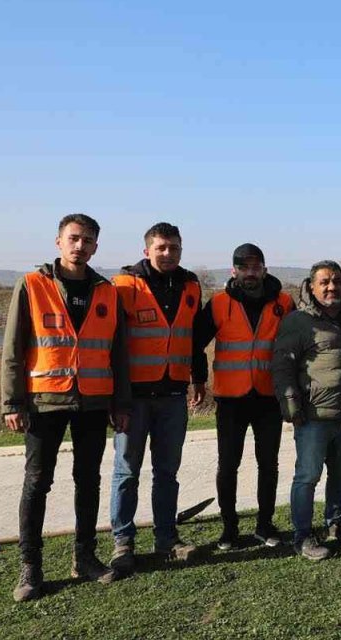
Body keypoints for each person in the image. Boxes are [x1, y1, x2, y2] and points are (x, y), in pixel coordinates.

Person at [0, 213, 131, 601]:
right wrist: (12, 401)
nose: (80, 246)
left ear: (95, 247)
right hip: (44, 402)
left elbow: (118, 355)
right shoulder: (33, 285)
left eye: (88, 240)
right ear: (59, 242)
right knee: (37, 483)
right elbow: (12, 349)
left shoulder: (107, 291)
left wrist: (120, 403)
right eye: (74, 238)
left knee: (88, 481)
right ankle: (31, 567)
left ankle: (85, 557)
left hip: (92, 402)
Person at [109, 222, 205, 575]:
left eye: (174, 248)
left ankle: (167, 538)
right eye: (161, 247)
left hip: (173, 394)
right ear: (146, 249)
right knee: (126, 471)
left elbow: (192, 337)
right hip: (133, 397)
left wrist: (199, 378)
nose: (168, 254)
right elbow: (111, 343)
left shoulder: (191, 285)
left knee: (167, 472)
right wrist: (115, 397)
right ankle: (123, 542)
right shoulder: (123, 286)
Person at [273, 260, 341, 561]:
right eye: (325, 282)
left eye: (337, 281)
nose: (332, 287)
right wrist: (291, 404)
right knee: (308, 475)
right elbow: (282, 366)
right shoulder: (299, 321)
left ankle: (336, 522)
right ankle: (302, 535)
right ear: (312, 285)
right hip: (313, 416)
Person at [193, 243, 295, 550]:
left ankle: (265, 525)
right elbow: (194, 343)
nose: (251, 272)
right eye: (244, 267)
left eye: (256, 267)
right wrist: (198, 380)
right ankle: (229, 529)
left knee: (269, 464)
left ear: (264, 269)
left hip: (268, 397)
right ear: (233, 270)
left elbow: (298, 346)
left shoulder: (284, 303)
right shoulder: (219, 303)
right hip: (230, 398)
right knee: (228, 465)